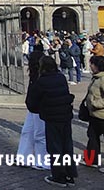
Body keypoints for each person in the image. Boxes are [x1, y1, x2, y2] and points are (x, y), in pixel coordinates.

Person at [25, 56, 76, 187]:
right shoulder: (61, 77)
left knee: (55, 147)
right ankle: (70, 174)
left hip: (52, 117)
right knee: (67, 145)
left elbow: (32, 102)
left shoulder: (42, 81)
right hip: (65, 115)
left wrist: (39, 109)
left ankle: (59, 176)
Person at [17, 42, 48, 170]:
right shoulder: (34, 75)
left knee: (40, 135)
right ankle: (24, 157)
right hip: (32, 108)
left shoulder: (42, 76)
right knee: (26, 132)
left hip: (40, 108)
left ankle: (43, 162)